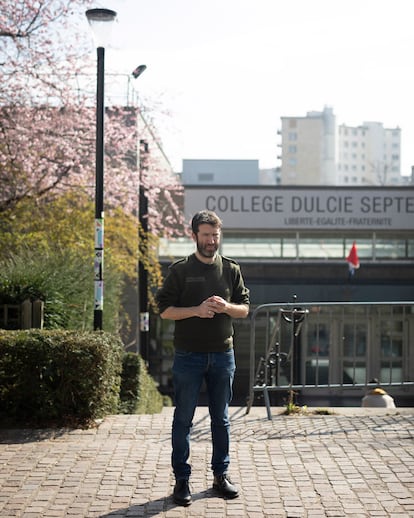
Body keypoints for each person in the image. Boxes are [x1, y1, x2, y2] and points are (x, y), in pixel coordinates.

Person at [156, 210, 250, 506]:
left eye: (216, 235)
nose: (212, 241)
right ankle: (182, 480)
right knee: (183, 419)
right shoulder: (180, 270)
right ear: (194, 235)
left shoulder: (231, 269)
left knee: (221, 420)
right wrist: (196, 310)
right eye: (207, 235)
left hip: (223, 355)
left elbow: (245, 309)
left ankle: (220, 476)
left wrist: (226, 308)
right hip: (188, 356)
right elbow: (165, 310)